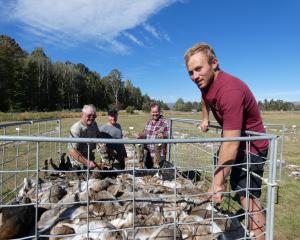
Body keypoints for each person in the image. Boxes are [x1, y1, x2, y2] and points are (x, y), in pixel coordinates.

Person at [184, 43, 269, 240]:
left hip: (252, 149)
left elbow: (230, 144)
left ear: (214, 63)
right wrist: (205, 118)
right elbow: (205, 99)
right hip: (236, 143)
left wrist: (216, 184)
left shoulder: (230, 90)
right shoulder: (206, 85)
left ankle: (261, 233)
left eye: (199, 69)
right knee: (237, 188)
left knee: (248, 198)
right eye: (190, 72)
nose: (195, 76)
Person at [68, 104, 100, 169]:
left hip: (89, 158)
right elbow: (72, 151)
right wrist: (87, 163)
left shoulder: (94, 124)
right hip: (77, 163)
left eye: (94, 116)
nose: (92, 118)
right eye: (89, 115)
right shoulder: (76, 129)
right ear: (82, 114)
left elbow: (98, 136)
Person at [139, 103, 169, 168]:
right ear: (150, 112)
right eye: (153, 112)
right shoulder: (149, 122)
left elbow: (168, 136)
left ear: (159, 111)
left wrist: (163, 135)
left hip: (159, 154)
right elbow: (145, 134)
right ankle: (141, 163)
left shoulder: (164, 122)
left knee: (158, 174)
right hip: (148, 153)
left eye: (156, 112)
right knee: (148, 173)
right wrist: (141, 135)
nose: (155, 114)